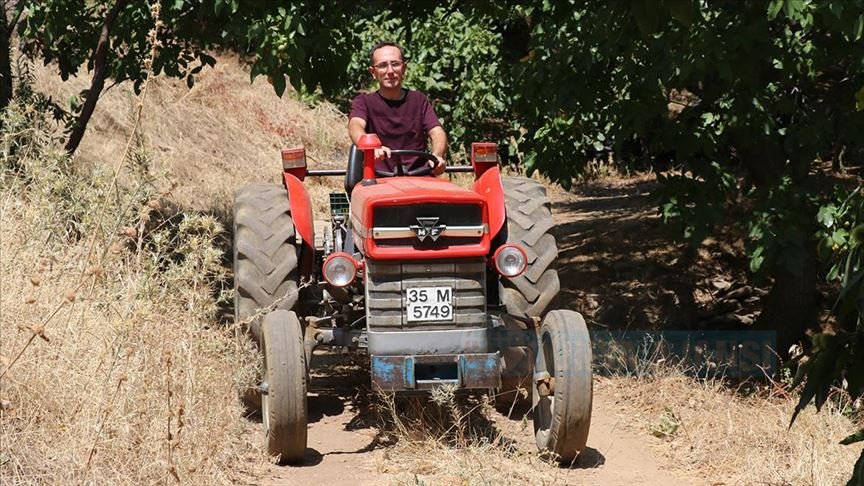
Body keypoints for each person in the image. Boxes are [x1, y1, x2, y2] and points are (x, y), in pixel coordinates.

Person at [348, 41, 447, 176]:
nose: (390, 71)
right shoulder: (364, 102)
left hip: (420, 175)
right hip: (377, 178)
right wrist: (371, 147)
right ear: (373, 72)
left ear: (404, 68)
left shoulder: (419, 100)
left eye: (395, 64)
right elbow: (355, 126)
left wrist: (437, 156)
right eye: (382, 65)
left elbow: (437, 132)